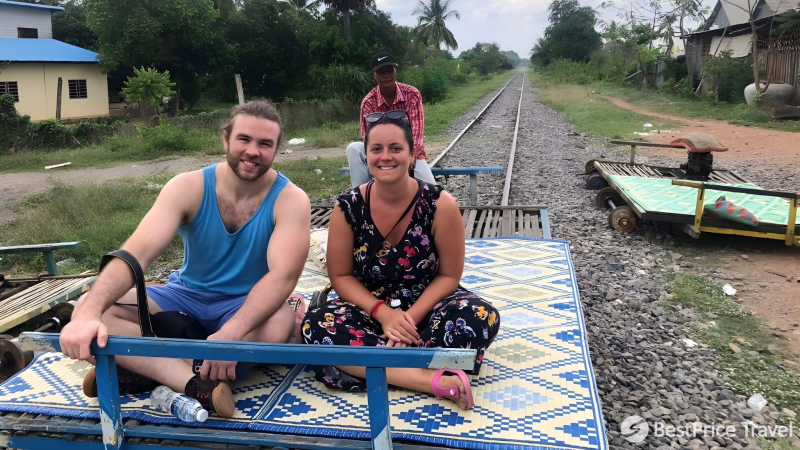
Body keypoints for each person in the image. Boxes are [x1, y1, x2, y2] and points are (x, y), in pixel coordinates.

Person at [59, 100, 311, 419]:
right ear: (225, 140)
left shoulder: (290, 200)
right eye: (244, 140)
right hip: (185, 295)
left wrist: (232, 332)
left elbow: (282, 277)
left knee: (279, 324)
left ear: (276, 150)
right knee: (93, 307)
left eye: (265, 144)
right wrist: (89, 312)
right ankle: (194, 383)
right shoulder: (188, 187)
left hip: (246, 302)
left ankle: (142, 368)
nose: (253, 151)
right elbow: (137, 253)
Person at [303, 111, 500, 410]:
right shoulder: (347, 208)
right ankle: (430, 378)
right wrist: (384, 315)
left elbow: (449, 275)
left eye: (396, 148)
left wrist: (407, 319)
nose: (386, 157)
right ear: (366, 156)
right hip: (371, 307)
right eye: (376, 149)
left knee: (481, 316)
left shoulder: (439, 204)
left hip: (428, 304)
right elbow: (341, 276)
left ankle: (379, 363)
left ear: (412, 155)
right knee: (316, 324)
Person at [346, 51, 436, 186]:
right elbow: (367, 137)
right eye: (381, 72)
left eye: (389, 70)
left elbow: (417, 132)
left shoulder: (412, 94)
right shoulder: (368, 102)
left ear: (396, 71)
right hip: (380, 151)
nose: (386, 75)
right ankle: (361, 196)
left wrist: (412, 155)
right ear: (374, 75)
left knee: (432, 192)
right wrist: (376, 162)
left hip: (407, 149)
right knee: (353, 148)